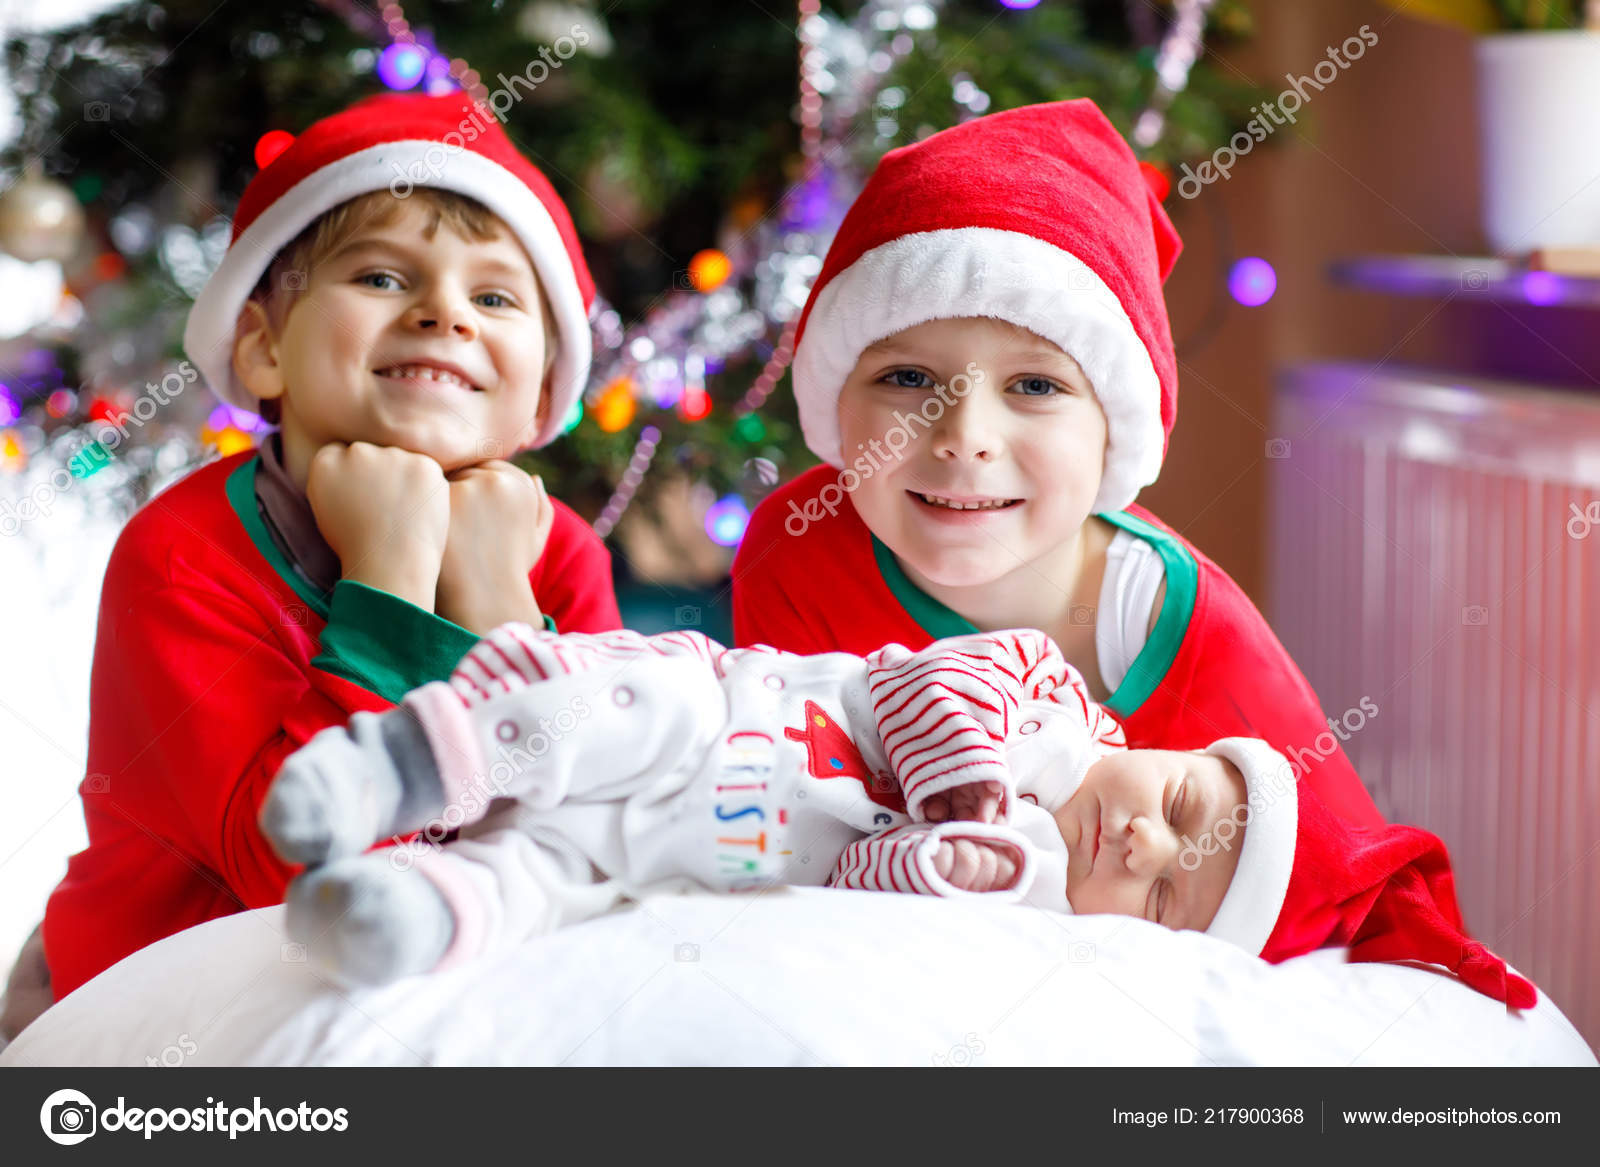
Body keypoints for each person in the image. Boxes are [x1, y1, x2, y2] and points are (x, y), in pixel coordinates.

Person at [40, 90, 622, 1003]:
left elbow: (606, 827)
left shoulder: (563, 553)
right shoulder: (183, 553)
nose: (447, 314)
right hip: (184, 999)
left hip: (455, 971)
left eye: (494, 296)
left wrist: (496, 593)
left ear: (543, 395)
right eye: (383, 277)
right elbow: (290, 876)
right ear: (264, 347)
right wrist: (388, 580)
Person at [257, 625, 1534, 1008]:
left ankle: (398, 917)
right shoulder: (1051, 702)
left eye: (1163, 893)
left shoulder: (1036, 911)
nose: (1140, 842)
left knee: (544, 887)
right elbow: (928, 683)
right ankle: (400, 770)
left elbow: (860, 889)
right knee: (602, 714)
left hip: (690, 862)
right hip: (721, 721)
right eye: (1179, 806)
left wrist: (947, 871)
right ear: (1176, 751)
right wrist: (967, 789)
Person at [731, 98, 1384, 834]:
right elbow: (783, 829)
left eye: (1036, 386)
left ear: (1114, 433)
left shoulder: (1196, 635)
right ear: (835, 400)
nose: (964, 438)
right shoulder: (795, 552)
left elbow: (1361, 873)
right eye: (908, 377)